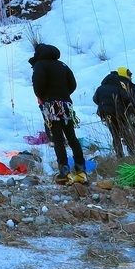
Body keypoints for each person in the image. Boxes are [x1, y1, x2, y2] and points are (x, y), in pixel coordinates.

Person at [29, 42, 86, 184]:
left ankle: (64, 171)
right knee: (72, 137)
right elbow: (72, 84)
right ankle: (81, 170)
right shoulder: (62, 65)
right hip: (66, 105)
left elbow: (38, 86)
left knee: (58, 139)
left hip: (51, 106)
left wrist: (43, 97)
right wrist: (64, 94)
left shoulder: (40, 65)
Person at [92, 68, 135, 157]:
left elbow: (95, 99)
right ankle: (132, 152)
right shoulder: (117, 88)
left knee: (115, 136)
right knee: (125, 133)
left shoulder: (100, 88)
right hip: (119, 114)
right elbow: (127, 98)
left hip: (106, 115)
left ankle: (119, 155)